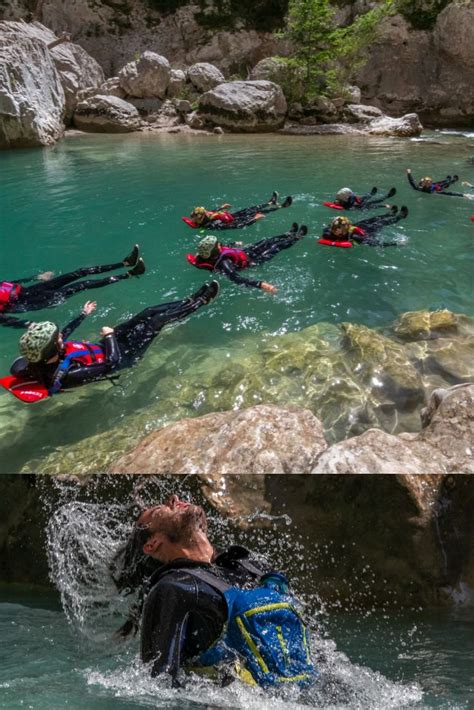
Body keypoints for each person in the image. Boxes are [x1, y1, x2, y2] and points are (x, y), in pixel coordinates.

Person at [119, 495, 316, 688]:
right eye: (157, 510)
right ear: (152, 544)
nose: (174, 498)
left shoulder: (254, 568)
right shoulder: (172, 588)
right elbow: (158, 687)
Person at [1, 282, 219, 402]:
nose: (61, 335)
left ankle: (189, 299)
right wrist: (109, 335)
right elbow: (112, 363)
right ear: (52, 348)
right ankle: (202, 301)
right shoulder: (67, 375)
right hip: (124, 356)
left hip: (108, 344)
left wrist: (84, 314)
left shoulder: (47, 353)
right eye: (57, 337)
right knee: (156, 322)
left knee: (147, 312)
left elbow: (67, 331)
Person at [0, 245, 145, 329]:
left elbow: (9, 284)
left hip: (34, 290)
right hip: (39, 301)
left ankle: (125, 263)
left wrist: (35, 277)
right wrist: (29, 324)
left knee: (81, 272)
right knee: (84, 285)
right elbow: (6, 321)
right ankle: (131, 274)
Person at [186, 223, 308, 294]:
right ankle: (297, 238)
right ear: (215, 250)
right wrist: (261, 284)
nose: (220, 243)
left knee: (266, 240)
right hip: (253, 261)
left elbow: (223, 247)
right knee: (276, 246)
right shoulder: (224, 262)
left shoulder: (206, 254)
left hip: (246, 252)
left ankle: (287, 234)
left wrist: (234, 244)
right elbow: (236, 279)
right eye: (218, 244)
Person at [183, 191, 293, 230]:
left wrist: (221, 207)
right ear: (203, 218)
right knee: (257, 213)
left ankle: (271, 202)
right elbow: (237, 226)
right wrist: (254, 220)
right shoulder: (212, 225)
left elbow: (212, 212)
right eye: (205, 212)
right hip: (235, 221)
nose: (207, 211)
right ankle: (282, 206)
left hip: (233, 215)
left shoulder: (206, 216)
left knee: (250, 208)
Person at [319, 207, 408, 248]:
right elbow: (375, 243)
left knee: (372, 219)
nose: (334, 230)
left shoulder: (333, 231)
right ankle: (399, 217)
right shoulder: (354, 237)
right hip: (368, 232)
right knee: (381, 223)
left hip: (358, 228)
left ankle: (388, 214)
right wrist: (395, 243)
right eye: (334, 228)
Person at [324, 186, 396, 210]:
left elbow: (354, 197)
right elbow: (371, 205)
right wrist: (383, 206)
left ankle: (371, 194)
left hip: (355, 201)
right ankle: (388, 196)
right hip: (359, 206)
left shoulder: (342, 198)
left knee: (364, 197)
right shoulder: (347, 205)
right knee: (374, 201)